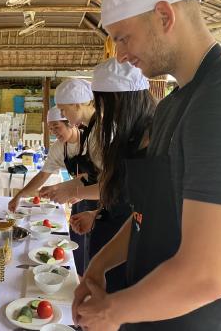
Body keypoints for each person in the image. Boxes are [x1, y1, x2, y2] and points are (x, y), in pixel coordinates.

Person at [72, 0, 221, 331]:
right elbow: (149, 213)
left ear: (164, 15)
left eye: (124, 37)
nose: (121, 54)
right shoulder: (171, 105)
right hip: (148, 309)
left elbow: (208, 274)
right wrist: (98, 266)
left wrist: (113, 312)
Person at [74, 58, 155, 293]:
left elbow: (146, 214)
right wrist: (97, 212)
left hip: (132, 257)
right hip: (113, 245)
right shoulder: (129, 136)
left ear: (119, 101)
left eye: (103, 105)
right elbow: (118, 187)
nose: (101, 113)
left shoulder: (154, 140)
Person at [40, 79, 102, 276]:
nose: (64, 115)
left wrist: (73, 191)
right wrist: (64, 188)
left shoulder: (100, 131)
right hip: (92, 203)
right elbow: (92, 174)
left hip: (104, 203)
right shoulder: (93, 130)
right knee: (83, 255)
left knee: (96, 262)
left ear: (77, 105)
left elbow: (112, 181)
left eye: (64, 110)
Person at [8, 106, 79, 212]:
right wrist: (19, 196)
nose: (53, 132)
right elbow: (43, 175)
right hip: (77, 195)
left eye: (56, 127)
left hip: (100, 196)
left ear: (70, 123)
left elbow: (98, 176)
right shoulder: (58, 147)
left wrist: (60, 188)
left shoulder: (89, 141)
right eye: (51, 129)